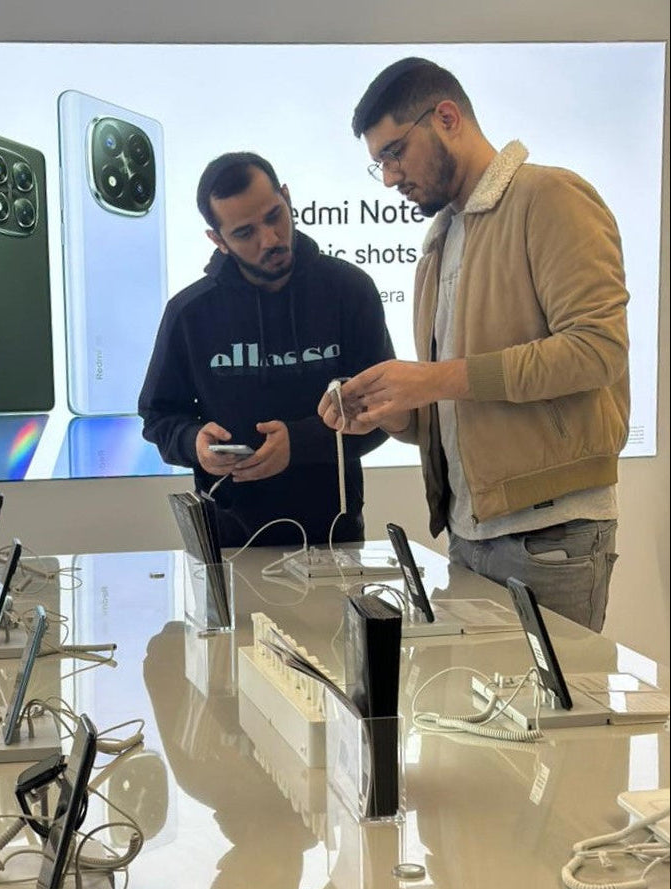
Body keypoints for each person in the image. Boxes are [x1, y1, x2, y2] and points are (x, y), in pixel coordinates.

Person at [319, 57, 629, 631]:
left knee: (557, 697)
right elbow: (459, 404)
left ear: (446, 117)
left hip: (550, 536)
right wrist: (390, 412)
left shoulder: (551, 196)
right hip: (467, 534)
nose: (389, 178)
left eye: (395, 152)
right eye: (379, 163)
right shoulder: (440, 239)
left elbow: (597, 350)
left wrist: (433, 379)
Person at [139, 151, 394, 547]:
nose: (271, 239)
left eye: (275, 215)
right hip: (226, 544)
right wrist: (194, 443)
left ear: (287, 198)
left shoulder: (349, 291)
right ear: (218, 240)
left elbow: (385, 412)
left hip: (333, 542)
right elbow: (158, 418)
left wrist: (300, 443)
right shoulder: (190, 312)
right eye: (245, 233)